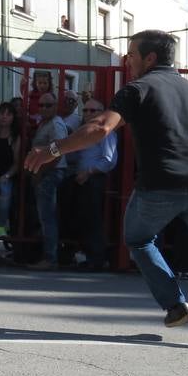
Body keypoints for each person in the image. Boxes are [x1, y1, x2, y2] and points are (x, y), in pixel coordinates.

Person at [27, 30, 188, 351]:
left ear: (150, 58)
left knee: (138, 239)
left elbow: (99, 127)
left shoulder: (137, 89)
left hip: (158, 186)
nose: (128, 60)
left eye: (132, 54)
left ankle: (176, 305)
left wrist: (52, 150)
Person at [63, 98, 118, 272]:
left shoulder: (106, 132)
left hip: (93, 179)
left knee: (92, 219)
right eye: (85, 110)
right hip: (81, 179)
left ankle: (96, 258)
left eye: (92, 111)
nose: (87, 114)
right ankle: (87, 255)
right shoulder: (84, 131)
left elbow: (109, 160)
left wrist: (89, 172)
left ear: (102, 112)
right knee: (81, 218)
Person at [26, 92, 68, 270]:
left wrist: (41, 174)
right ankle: (47, 256)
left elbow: (57, 152)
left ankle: (50, 259)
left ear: (56, 106)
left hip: (50, 174)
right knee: (44, 217)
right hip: (46, 174)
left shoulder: (56, 124)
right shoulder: (46, 123)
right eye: (41, 105)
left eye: (48, 105)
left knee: (47, 218)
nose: (44, 108)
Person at [0, 102, 21, 253]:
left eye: (8, 114)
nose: (4, 117)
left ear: (13, 117)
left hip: (5, 177)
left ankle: (1, 225)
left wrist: (6, 175)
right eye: (2, 113)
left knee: (4, 194)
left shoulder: (15, 138)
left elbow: (17, 163)